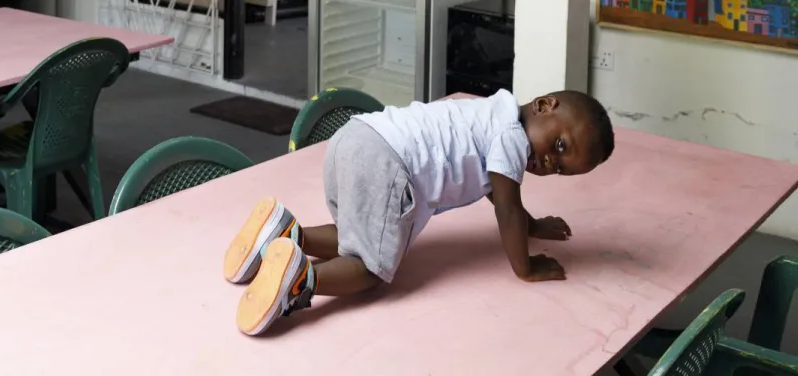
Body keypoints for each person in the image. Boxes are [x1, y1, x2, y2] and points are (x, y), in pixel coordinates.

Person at [224, 89, 615, 336]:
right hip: (390, 163)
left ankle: (287, 235)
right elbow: (507, 210)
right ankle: (298, 281)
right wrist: (525, 267)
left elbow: (502, 197)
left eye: (560, 167)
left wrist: (532, 225)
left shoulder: (492, 113)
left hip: (356, 137)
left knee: (355, 234)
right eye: (560, 145)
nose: (548, 161)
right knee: (370, 270)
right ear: (545, 105)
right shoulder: (512, 137)